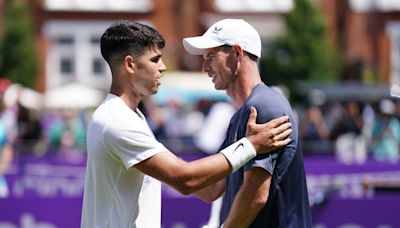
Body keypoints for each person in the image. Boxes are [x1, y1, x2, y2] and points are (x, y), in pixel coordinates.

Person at [80, 20, 293, 228]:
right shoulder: (117, 120)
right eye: (155, 60)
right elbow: (185, 179)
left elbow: (209, 189)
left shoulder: (128, 116)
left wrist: (241, 146)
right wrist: (251, 145)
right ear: (130, 64)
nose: (163, 68)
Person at [183, 18, 312, 227]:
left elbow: (256, 197)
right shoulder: (243, 114)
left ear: (237, 53)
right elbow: (212, 188)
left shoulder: (264, 107)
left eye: (211, 57)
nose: (204, 67)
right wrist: (157, 163)